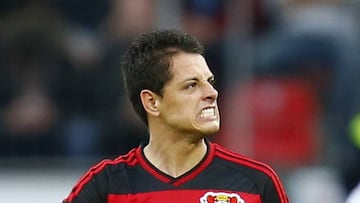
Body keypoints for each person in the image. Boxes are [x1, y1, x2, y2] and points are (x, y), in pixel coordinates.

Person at [62, 29, 289, 203]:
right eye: (192, 85)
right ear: (152, 102)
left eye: (209, 82)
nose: (212, 93)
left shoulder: (256, 183)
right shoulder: (107, 185)